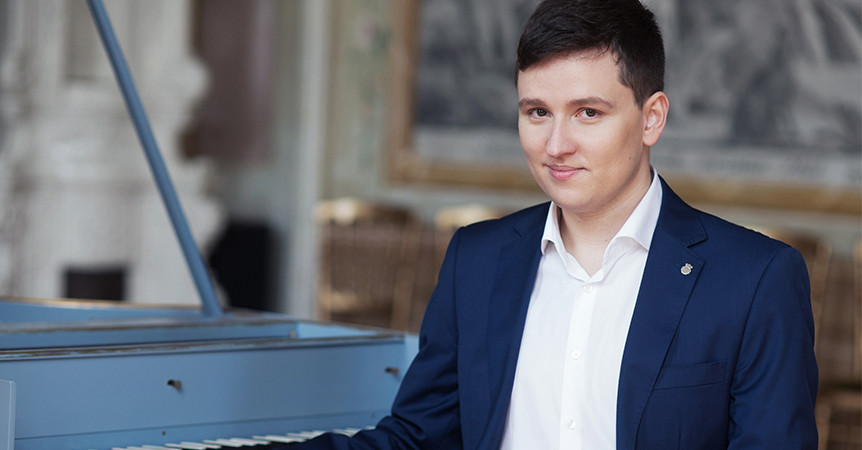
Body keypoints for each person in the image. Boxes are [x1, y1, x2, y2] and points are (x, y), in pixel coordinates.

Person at [292, 0, 818, 448]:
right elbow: (417, 440)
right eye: (538, 112)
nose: (556, 145)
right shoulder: (475, 259)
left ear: (652, 118)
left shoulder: (755, 279)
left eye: (588, 113)